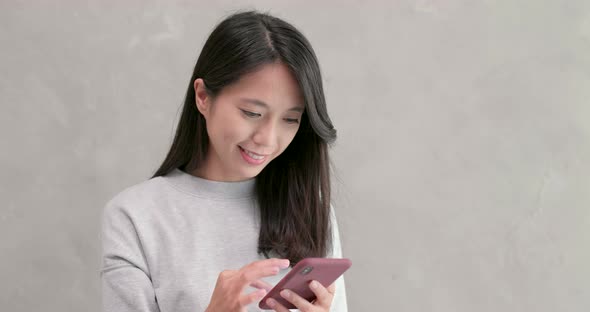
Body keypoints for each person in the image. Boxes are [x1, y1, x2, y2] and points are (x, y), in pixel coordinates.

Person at [100, 9, 348, 312]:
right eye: (251, 113)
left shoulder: (311, 206)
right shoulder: (135, 217)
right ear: (203, 97)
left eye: (290, 119)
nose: (267, 139)